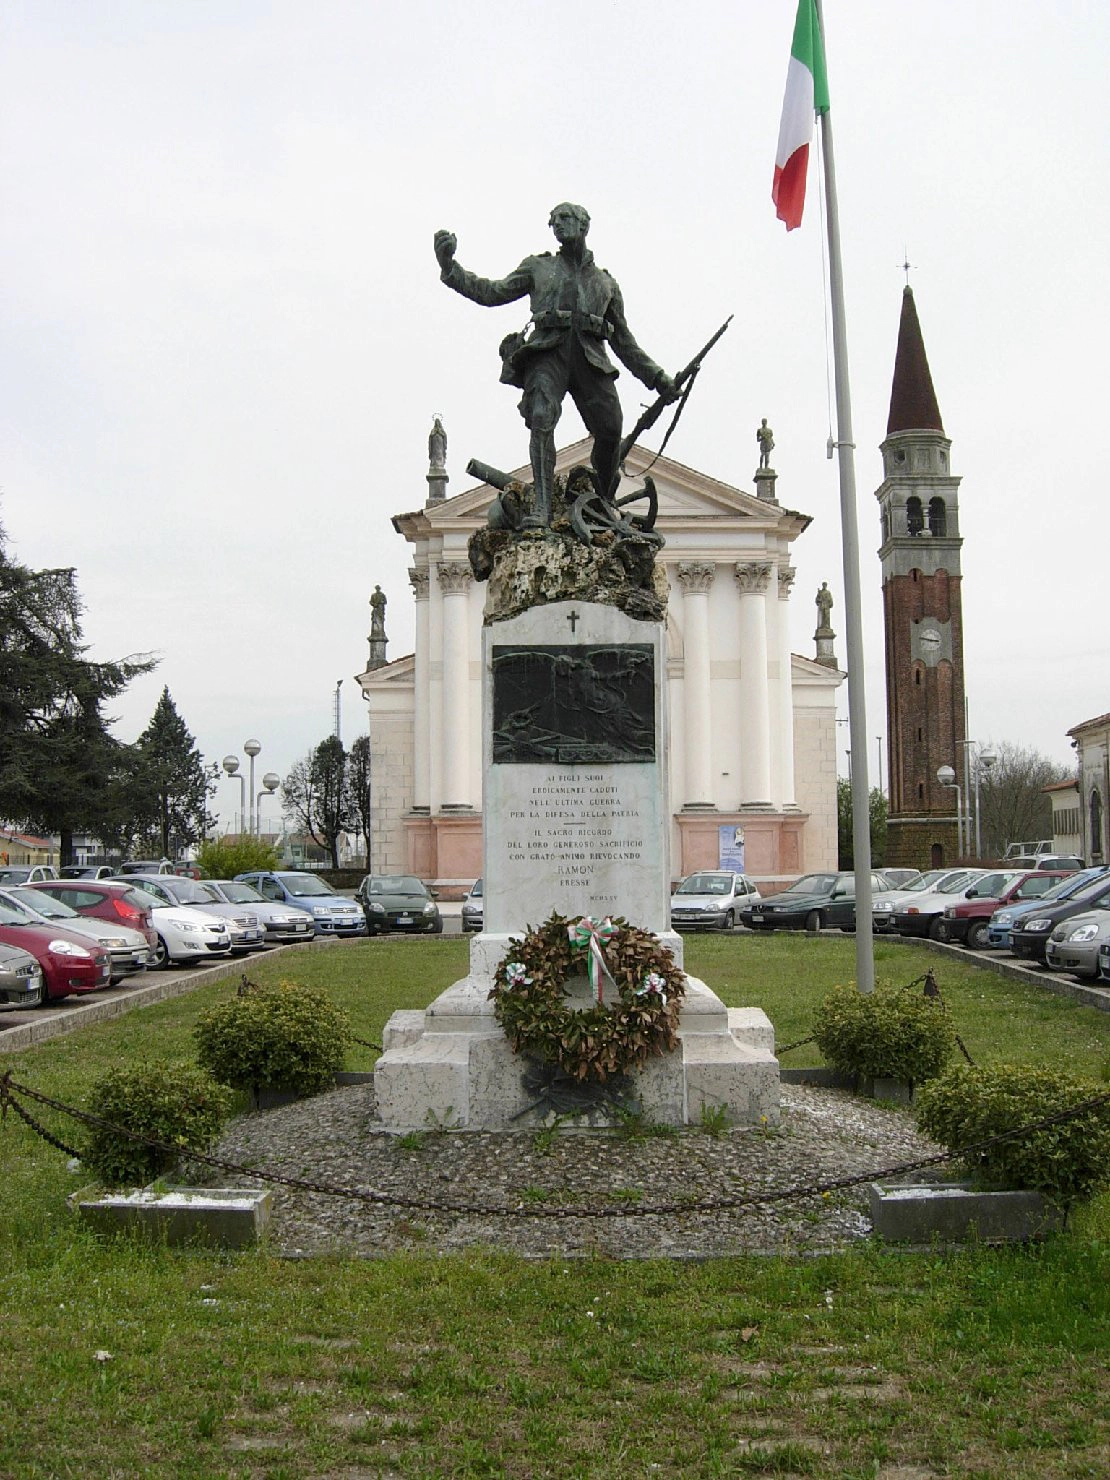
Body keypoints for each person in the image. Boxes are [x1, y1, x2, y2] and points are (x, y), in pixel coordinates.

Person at [434, 203, 677, 526]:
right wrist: (450, 268)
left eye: (564, 218)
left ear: (583, 225)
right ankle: (542, 506)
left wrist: (658, 378)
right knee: (541, 417)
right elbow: (492, 292)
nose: (557, 225)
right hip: (548, 353)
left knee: (610, 430)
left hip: (591, 360)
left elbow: (624, 342)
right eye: (553, 221)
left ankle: (603, 500)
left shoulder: (605, 284)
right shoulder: (538, 267)